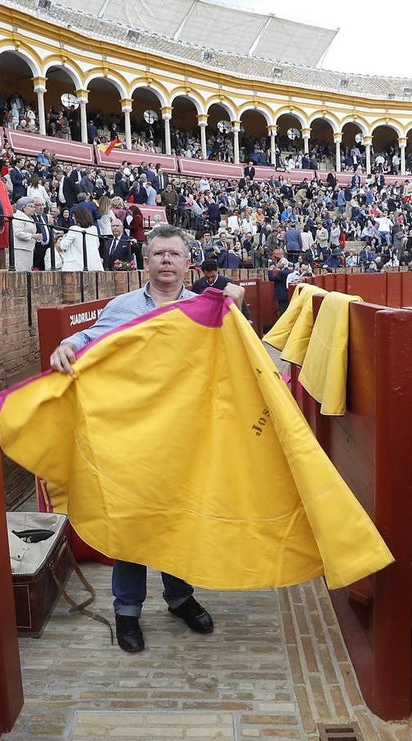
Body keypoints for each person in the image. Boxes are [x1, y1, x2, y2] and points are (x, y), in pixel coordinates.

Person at [48, 224, 245, 653]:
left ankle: (179, 598)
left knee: (179, 517)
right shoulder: (122, 306)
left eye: (174, 254)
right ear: (147, 261)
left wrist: (236, 309)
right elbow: (88, 340)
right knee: (132, 520)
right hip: (133, 436)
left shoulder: (204, 307)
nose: (167, 261)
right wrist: (66, 343)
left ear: (188, 262)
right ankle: (127, 610)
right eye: (159, 254)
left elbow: (237, 350)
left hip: (185, 438)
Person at [56, 206, 102, 272]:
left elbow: (63, 246)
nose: (72, 218)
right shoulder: (93, 229)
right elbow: (97, 244)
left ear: (78, 217)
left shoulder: (74, 229)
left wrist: (63, 238)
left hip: (76, 266)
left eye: (74, 216)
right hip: (94, 264)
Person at [10, 195, 39, 272]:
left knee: (28, 271)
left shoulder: (30, 218)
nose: (34, 208)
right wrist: (32, 236)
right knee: (21, 271)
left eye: (34, 206)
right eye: (31, 206)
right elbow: (18, 233)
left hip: (28, 248)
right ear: (23, 207)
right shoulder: (18, 216)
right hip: (20, 249)